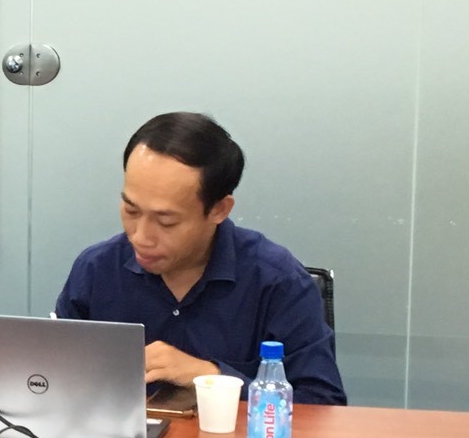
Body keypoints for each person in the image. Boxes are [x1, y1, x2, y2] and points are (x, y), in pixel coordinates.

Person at [54, 112, 345, 405]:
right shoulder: (96, 270)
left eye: (166, 222)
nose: (141, 237)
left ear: (219, 210)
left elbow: (323, 405)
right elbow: (53, 382)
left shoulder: (278, 282)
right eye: (131, 211)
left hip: (232, 437)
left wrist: (212, 378)